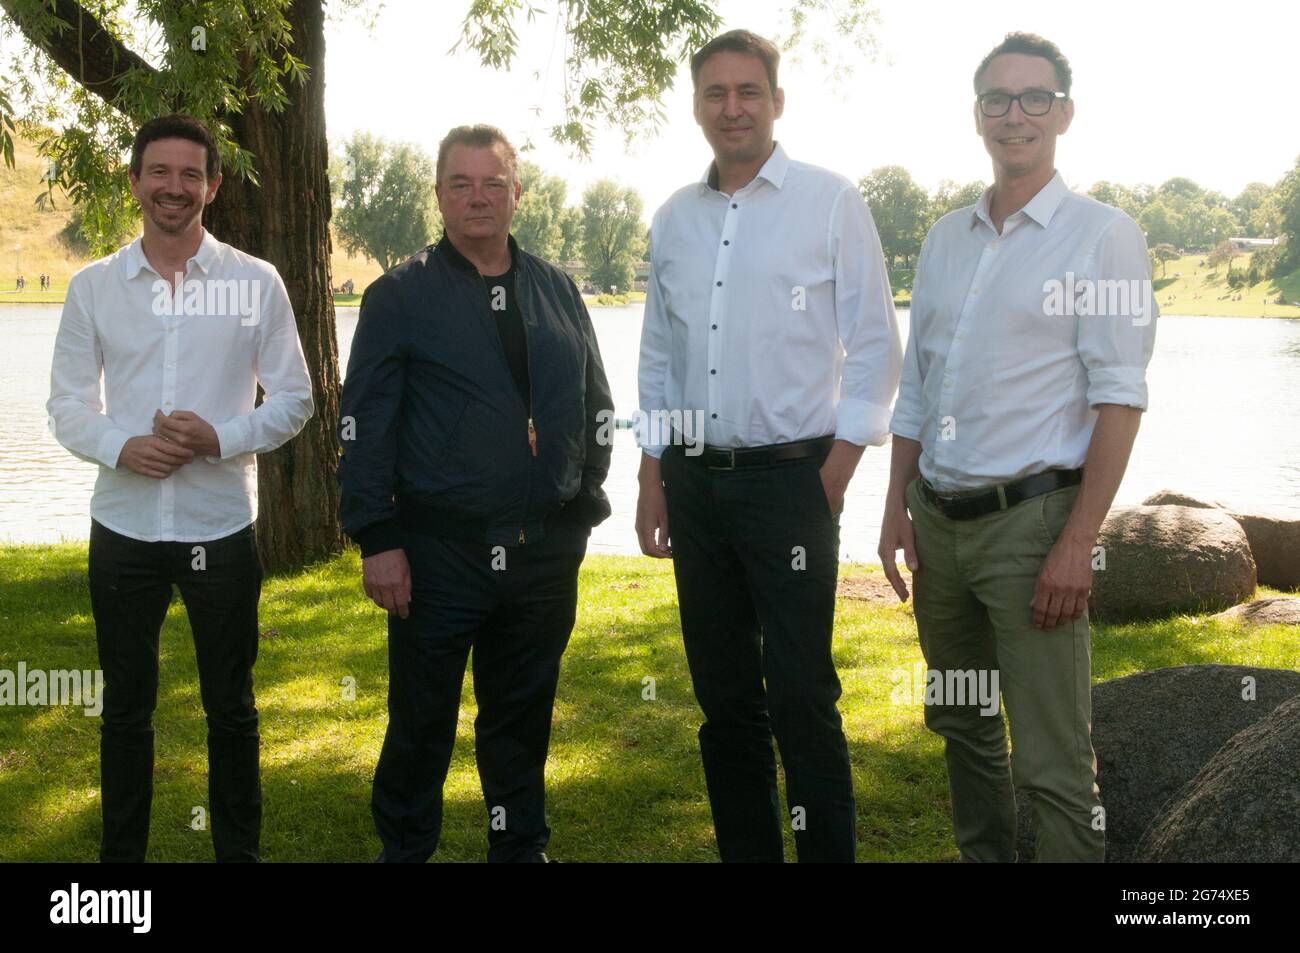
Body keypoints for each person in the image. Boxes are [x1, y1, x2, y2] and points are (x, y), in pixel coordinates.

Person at [878, 33, 1158, 862]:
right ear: (977, 116)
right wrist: (895, 505)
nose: (1015, 115)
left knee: (1051, 759)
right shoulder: (944, 238)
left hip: (1031, 530)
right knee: (963, 725)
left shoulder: (1101, 237)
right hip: (939, 527)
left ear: (1064, 113)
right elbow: (920, 390)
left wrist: (1080, 540)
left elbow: (1120, 396)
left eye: (1035, 98)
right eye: (998, 99)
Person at [636, 29, 902, 862]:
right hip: (695, 486)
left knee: (800, 696)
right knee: (724, 701)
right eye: (715, 93)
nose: (733, 107)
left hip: (793, 484)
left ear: (777, 102)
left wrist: (837, 468)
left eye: (749, 91)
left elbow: (876, 345)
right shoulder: (675, 218)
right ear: (696, 107)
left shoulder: (829, 200)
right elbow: (657, 356)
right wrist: (653, 476)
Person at [339, 123, 613, 863]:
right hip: (436, 553)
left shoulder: (557, 289)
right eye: (460, 183)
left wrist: (582, 504)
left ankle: (519, 847)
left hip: (541, 554)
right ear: (439, 195)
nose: (478, 198)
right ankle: (405, 848)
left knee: (520, 718)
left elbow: (596, 403)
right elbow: (363, 423)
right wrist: (378, 537)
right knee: (422, 720)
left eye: (493, 183)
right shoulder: (399, 295)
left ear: (518, 193)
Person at [47, 113, 314, 862]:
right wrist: (122, 445)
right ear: (133, 182)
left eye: (190, 174)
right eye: (158, 173)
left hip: (219, 527)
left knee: (230, 706)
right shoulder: (93, 286)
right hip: (124, 529)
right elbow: (66, 404)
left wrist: (221, 437)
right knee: (125, 709)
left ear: (214, 185)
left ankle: (239, 854)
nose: (174, 187)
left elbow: (297, 398)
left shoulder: (256, 283)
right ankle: (120, 868)